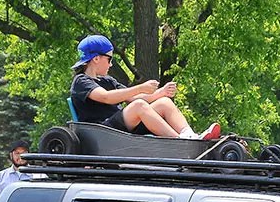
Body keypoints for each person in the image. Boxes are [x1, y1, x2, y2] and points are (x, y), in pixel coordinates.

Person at [70, 34, 220, 140]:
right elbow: (105, 97)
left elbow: (134, 98)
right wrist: (140, 87)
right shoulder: (81, 81)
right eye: (109, 59)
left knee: (164, 103)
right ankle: (181, 143)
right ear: (96, 58)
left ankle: (189, 135)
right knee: (139, 106)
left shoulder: (108, 80)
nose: (111, 64)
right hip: (102, 132)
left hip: (119, 127)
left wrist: (160, 93)